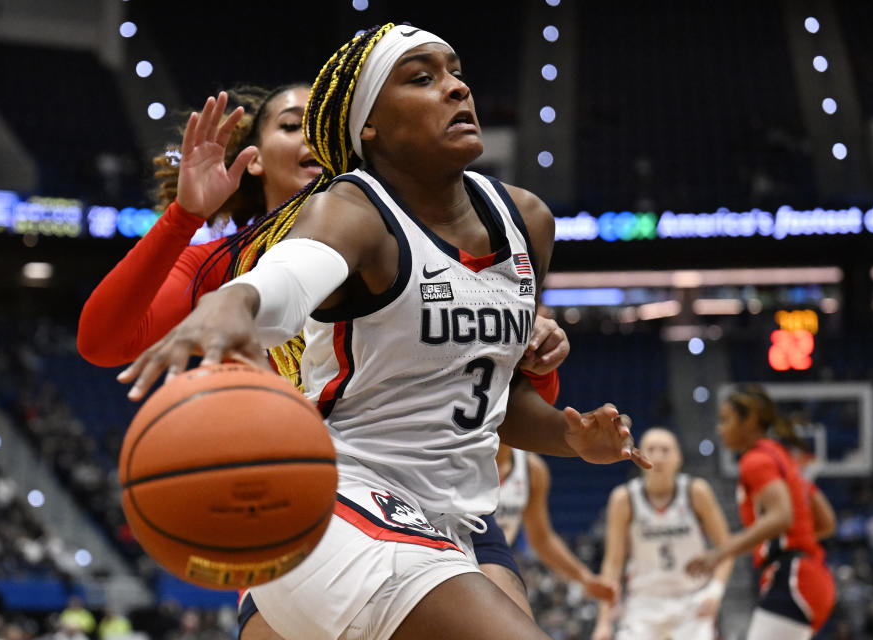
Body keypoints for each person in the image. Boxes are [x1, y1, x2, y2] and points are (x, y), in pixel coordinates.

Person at [118, 23, 650, 640]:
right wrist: (232, 306)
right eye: (422, 79)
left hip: (460, 520)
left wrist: (572, 437)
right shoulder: (353, 207)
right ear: (368, 124)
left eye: (455, 72)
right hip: (340, 501)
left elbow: (490, 398)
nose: (456, 89)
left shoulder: (526, 219)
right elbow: (288, 278)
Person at [686, 385, 836, 639]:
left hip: (793, 579)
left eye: (725, 420)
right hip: (810, 577)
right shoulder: (782, 457)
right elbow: (826, 521)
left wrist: (722, 552)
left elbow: (781, 517)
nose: (719, 428)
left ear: (750, 421)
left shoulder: (755, 461)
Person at [593, 427, 733, 640]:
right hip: (643, 602)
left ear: (678, 457)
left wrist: (715, 592)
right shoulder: (624, 498)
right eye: (651, 449)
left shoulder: (697, 492)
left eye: (665, 450)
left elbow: (726, 548)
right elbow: (613, 563)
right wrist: (603, 622)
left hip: (692, 601)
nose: (658, 456)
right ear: (637, 456)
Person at [492, 443, 616, 608]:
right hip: (459, 558)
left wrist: (584, 577)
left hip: (494, 561)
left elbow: (542, 539)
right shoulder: (465, 458)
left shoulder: (531, 468)